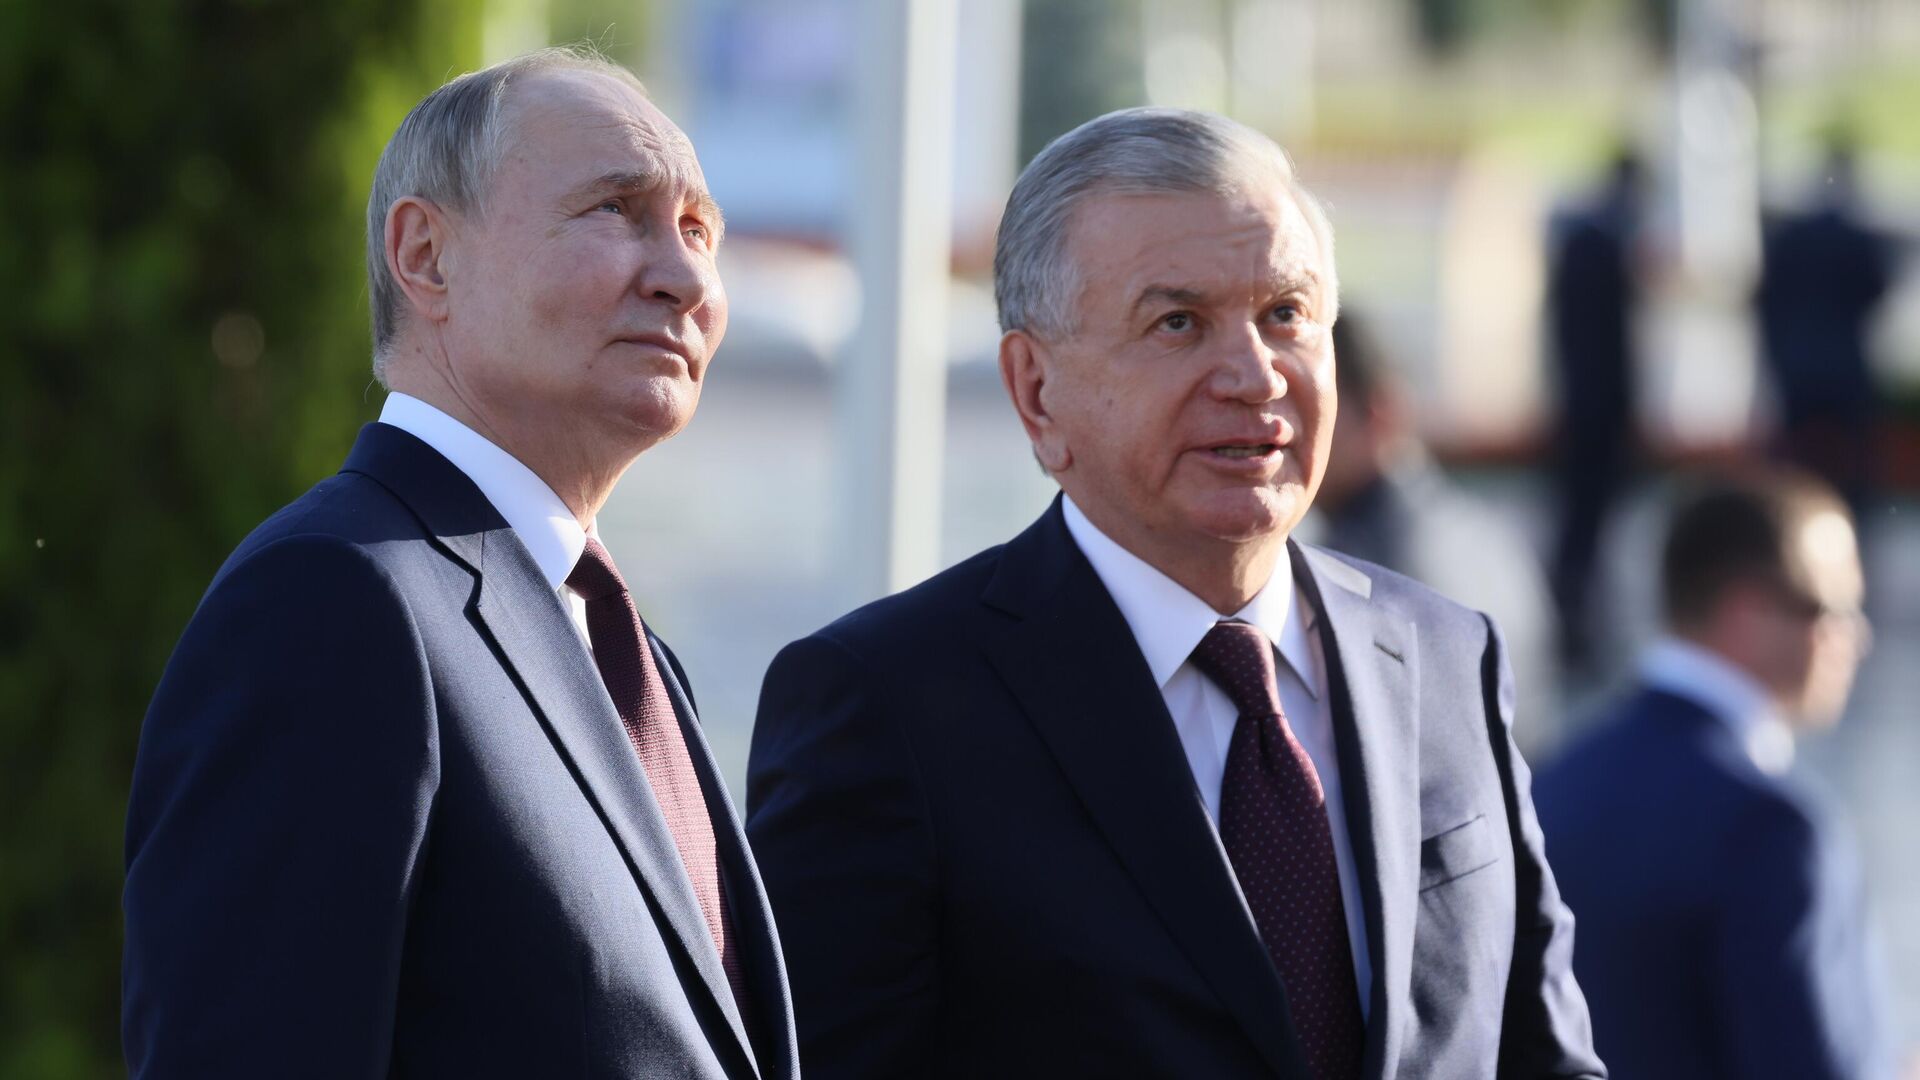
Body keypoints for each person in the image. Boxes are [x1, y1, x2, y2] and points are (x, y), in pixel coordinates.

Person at [747, 107, 1604, 1079]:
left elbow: (1545, 1056)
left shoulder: (1446, 655)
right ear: (1036, 390)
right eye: (1179, 323)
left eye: (1286, 314)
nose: (1253, 375)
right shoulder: (890, 704)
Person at [123, 47, 798, 1079]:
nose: (686, 277)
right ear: (427, 257)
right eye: (617, 209)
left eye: (698, 229)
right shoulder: (333, 600)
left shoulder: (625, 651)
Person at [1535, 470, 1892, 1080]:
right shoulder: (1774, 827)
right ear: (1747, 611)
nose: (1856, 638)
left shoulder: (1553, 784)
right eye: (1832, 609)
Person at [1306, 307, 1562, 756]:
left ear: (1377, 412)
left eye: (1309, 405)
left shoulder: (1363, 568)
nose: (1279, 429)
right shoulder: (1485, 533)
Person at [1756, 141, 1896, 521]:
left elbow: (1768, 297)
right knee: (1853, 457)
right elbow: (1876, 290)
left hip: (1798, 362)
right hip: (1843, 363)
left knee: (1796, 453)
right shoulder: (1855, 235)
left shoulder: (1792, 235)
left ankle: (1788, 514)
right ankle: (1849, 517)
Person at [1545, 148, 1643, 671]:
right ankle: (1574, 622)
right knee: (1586, 522)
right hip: (1596, 407)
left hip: (1582, 402)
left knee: (1583, 521)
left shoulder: (1583, 239)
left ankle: (1577, 620)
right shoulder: (1603, 243)